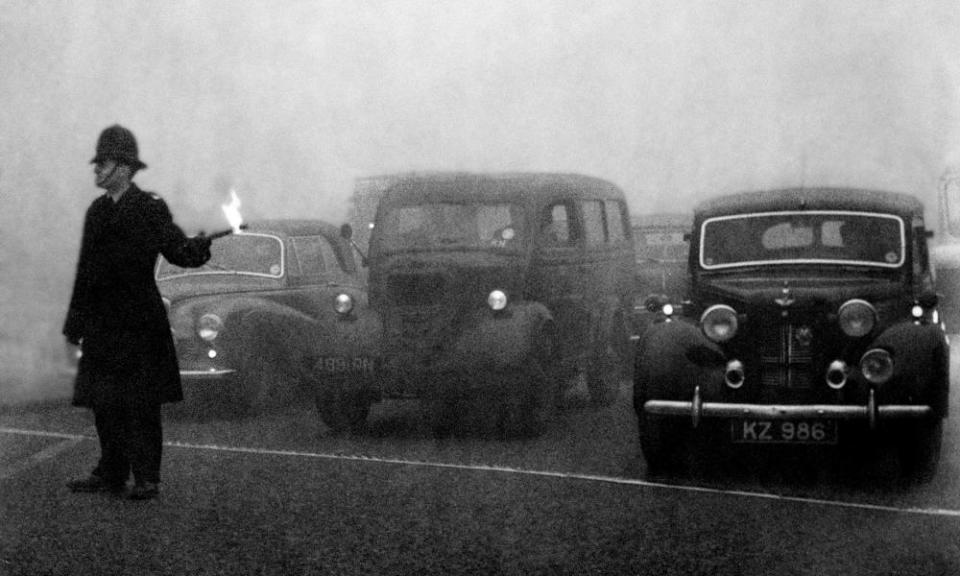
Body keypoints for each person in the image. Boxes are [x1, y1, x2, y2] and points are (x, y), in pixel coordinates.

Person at [63, 125, 212, 500]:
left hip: (138, 321)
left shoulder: (150, 208)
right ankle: (111, 472)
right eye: (98, 162)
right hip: (101, 321)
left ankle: (147, 477)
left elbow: (178, 250)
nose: (96, 169)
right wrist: (74, 325)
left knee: (141, 403)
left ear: (125, 168)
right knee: (105, 402)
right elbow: (85, 271)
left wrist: (200, 246)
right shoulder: (96, 211)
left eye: (105, 162)